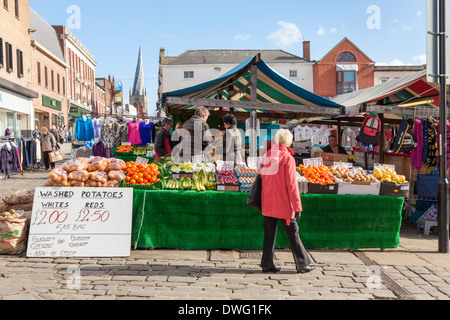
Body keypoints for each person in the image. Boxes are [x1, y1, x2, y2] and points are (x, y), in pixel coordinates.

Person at [260, 129, 315, 274]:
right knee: (293, 232)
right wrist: (297, 206)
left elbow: (261, 177)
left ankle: (267, 264)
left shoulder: (267, 156)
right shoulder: (288, 158)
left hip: (268, 201)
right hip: (283, 203)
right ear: (288, 141)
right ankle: (302, 263)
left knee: (269, 234)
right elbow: (292, 185)